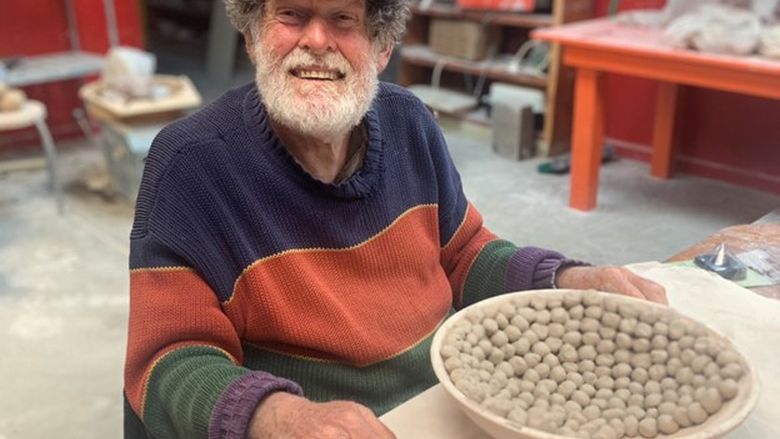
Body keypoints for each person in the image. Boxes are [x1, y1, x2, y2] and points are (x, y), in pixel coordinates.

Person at [123, 0, 667, 437]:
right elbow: (168, 356)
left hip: (446, 399)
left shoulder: (410, 122)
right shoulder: (191, 164)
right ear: (253, 35)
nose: (316, 41)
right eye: (290, 15)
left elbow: (464, 252)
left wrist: (567, 280)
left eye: (343, 19)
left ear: (381, 47)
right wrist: (276, 417)